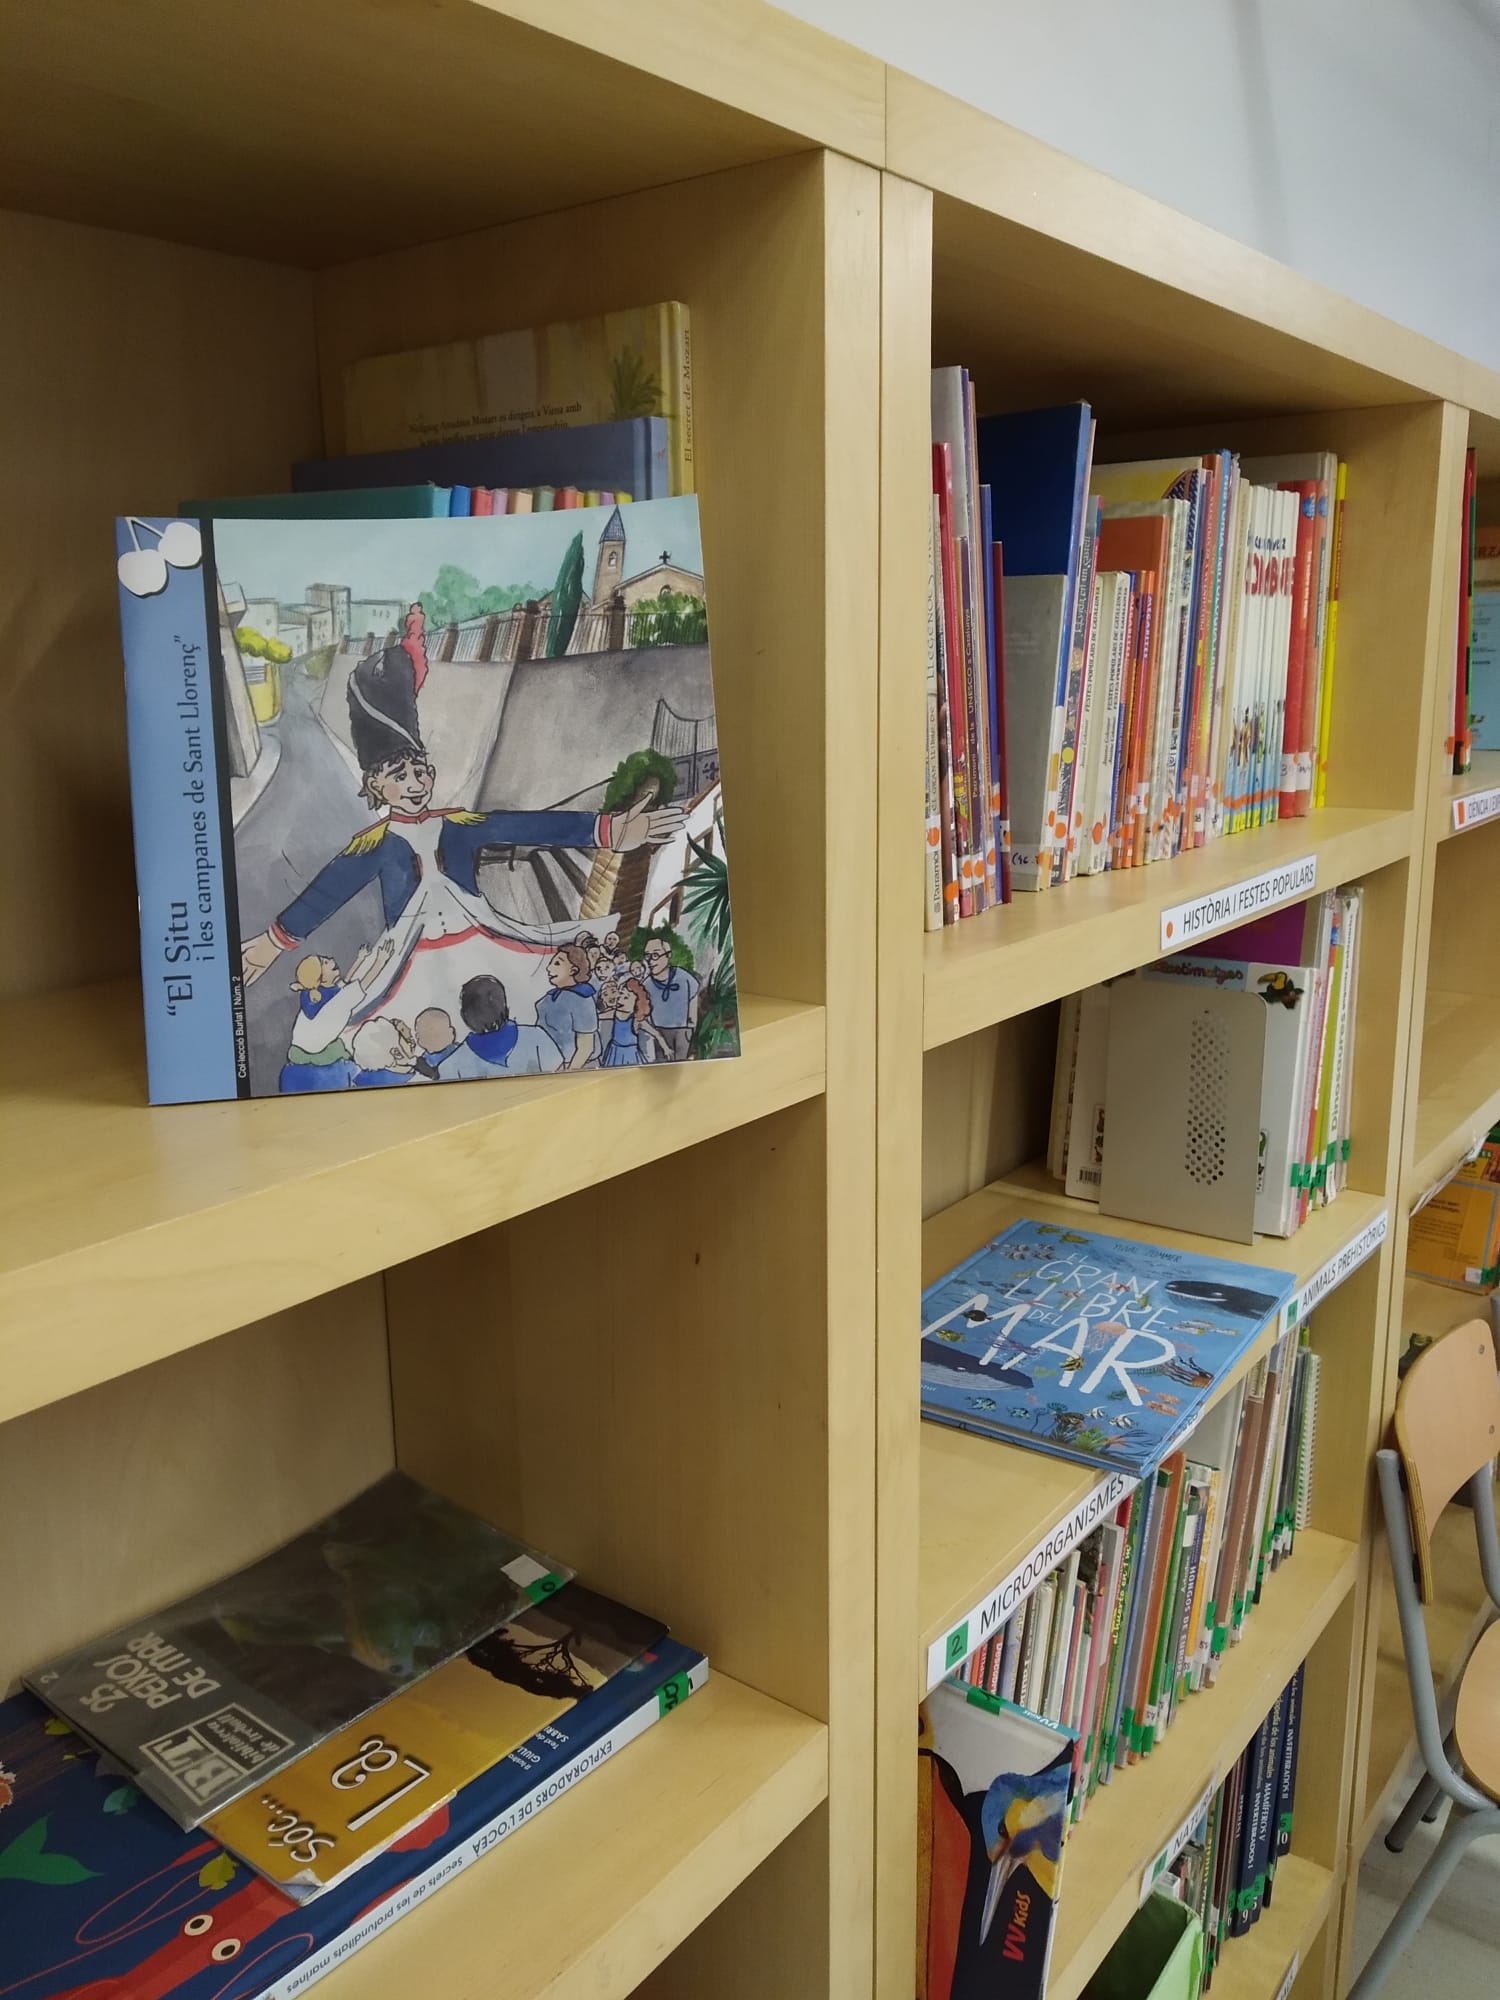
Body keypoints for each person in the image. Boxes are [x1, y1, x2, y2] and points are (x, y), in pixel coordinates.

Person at [237, 643, 684, 1027]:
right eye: (398, 775)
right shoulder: (372, 845)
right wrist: (274, 941)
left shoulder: (459, 824)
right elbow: (327, 891)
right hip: (411, 961)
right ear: (375, 785)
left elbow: (526, 826)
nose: (414, 784)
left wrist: (607, 830)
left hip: (484, 941)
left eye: (419, 771)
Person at [277, 939, 393, 1093]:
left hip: (301, 1048)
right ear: (321, 978)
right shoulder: (335, 1004)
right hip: (314, 1053)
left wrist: (360, 959)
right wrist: (380, 961)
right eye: (325, 962)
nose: (330, 959)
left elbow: (344, 983)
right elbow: (363, 984)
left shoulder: (315, 992)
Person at [444, 975, 562, 1080]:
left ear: (464, 1015)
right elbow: (560, 1076)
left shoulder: (452, 1064)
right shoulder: (536, 1036)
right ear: (505, 1006)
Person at [536, 944, 599, 1070]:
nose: (549, 968)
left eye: (557, 964)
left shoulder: (582, 999)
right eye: (551, 963)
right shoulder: (550, 997)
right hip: (550, 1063)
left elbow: (586, 1048)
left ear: (573, 970)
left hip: (575, 1066)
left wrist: (568, 1072)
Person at [640, 936, 700, 1062]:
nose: (650, 961)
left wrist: (690, 1030)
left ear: (668, 955)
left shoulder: (685, 978)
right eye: (647, 956)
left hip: (683, 1032)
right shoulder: (646, 985)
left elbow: (693, 1009)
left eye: (655, 955)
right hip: (658, 1032)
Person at [351, 1016, 422, 1087]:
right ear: (397, 1053)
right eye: (408, 1041)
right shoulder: (412, 1081)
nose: (413, 1043)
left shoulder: (359, 1081)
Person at [598, 979, 650, 1068]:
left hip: (631, 1053)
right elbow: (599, 1016)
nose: (619, 999)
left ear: (637, 1002)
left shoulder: (636, 1020)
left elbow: (656, 1033)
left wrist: (666, 1048)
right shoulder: (615, 1013)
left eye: (625, 997)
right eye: (620, 995)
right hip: (614, 1051)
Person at [412, 1006, 462, 1081]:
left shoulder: (460, 1052)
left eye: (433, 1029)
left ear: (451, 1032)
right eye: (419, 1031)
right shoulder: (421, 1063)